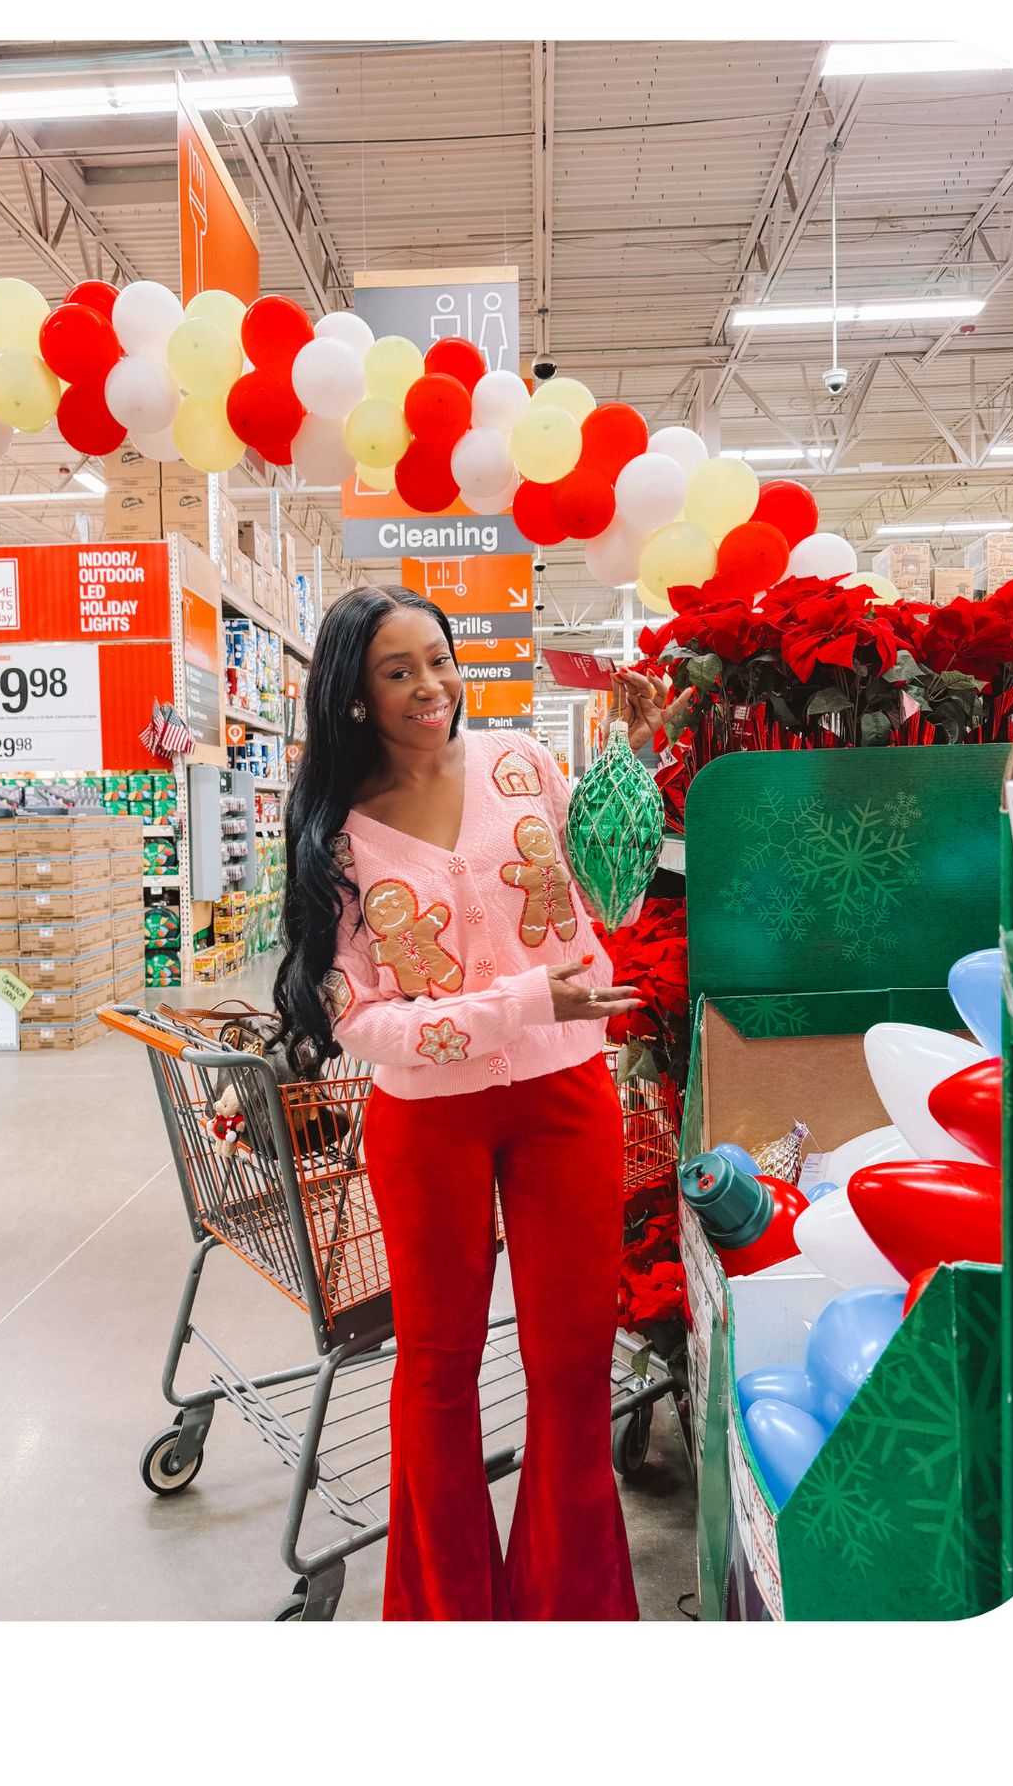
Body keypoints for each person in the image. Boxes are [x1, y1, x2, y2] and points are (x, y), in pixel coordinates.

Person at [273, 586, 683, 1621]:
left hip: (564, 1097)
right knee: (439, 1368)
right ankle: (445, 1616)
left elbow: (608, 892)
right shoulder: (337, 836)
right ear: (353, 695)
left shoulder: (521, 765)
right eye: (398, 669)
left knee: (571, 1357)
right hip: (427, 1117)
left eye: (439, 659)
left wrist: (628, 768)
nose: (431, 686)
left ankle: (571, 1612)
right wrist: (517, 1002)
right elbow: (359, 1021)